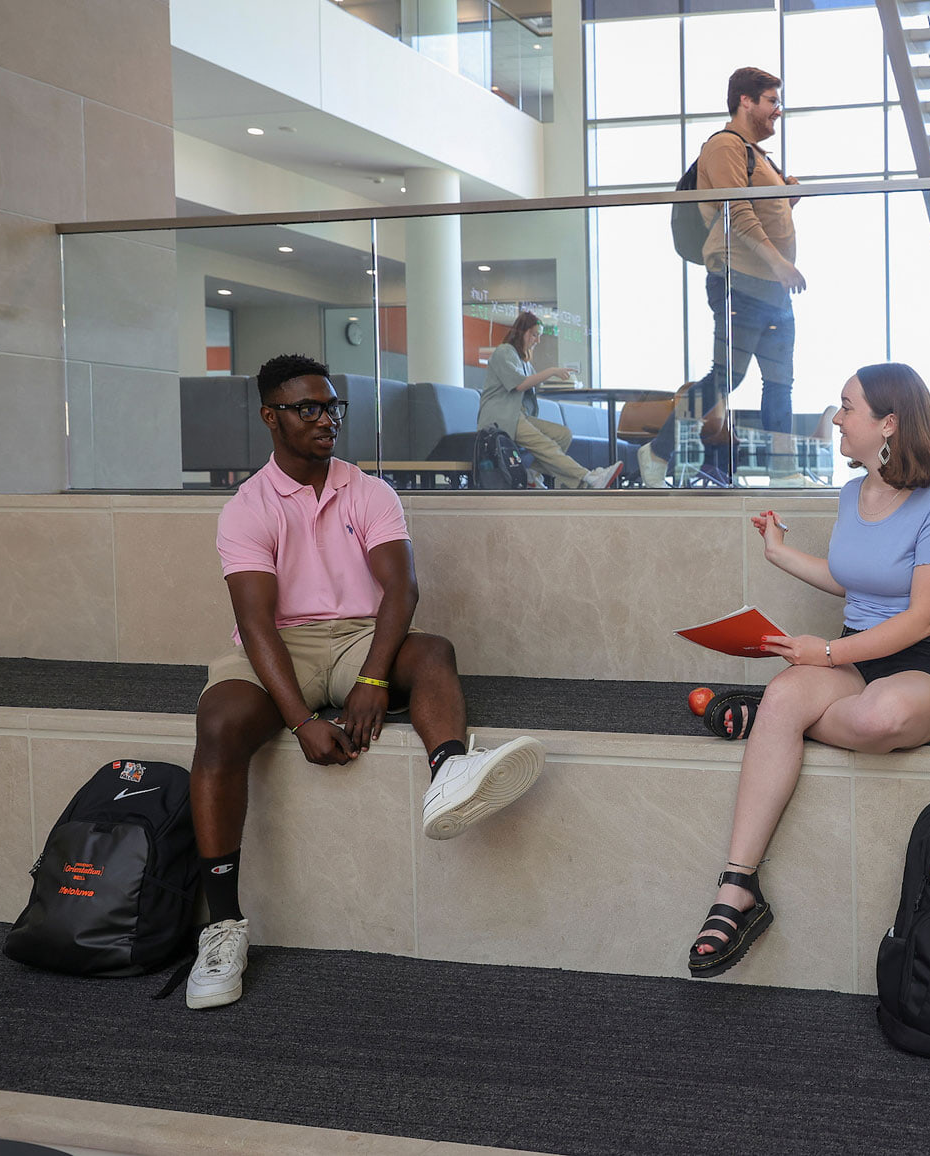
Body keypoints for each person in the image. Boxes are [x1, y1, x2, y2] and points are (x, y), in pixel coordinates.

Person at [188, 354, 546, 1010]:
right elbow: (256, 623)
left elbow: (401, 590)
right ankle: (221, 928)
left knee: (433, 650)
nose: (327, 420)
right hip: (280, 647)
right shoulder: (246, 508)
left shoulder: (369, 491)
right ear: (271, 417)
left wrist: (375, 678)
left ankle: (451, 774)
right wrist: (302, 722)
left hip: (358, 637)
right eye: (309, 409)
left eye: (333, 407)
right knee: (218, 726)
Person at [685, 363, 930, 977]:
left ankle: (769, 722)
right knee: (791, 694)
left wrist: (828, 655)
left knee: (879, 718)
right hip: (854, 651)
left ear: (888, 422)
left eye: (847, 406)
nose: (836, 418)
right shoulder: (851, 493)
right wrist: (779, 553)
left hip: (921, 662)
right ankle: (737, 889)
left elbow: (921, 618)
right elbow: (851, 579)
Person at [639, 66, 805, 487]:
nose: (777, 111)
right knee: (728, 376)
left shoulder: (759, 156)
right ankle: (657, 452)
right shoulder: (725, 147)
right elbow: (739, 217)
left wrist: (789, 201)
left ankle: (783, 472)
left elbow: (759, 215)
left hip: (771, 288)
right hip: (741, 282)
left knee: (779, 382)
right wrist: (780, 265)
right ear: (745, 101)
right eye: (772, 101)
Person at [478, 311, 622, 490]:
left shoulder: (523, 361)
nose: (537, 340)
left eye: (539, 336)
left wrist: (566, 383)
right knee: (545, 444)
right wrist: (552, 371)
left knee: (562, 435)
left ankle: (531, 473)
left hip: (518, 415)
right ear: (521, 332)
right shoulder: (504, 351)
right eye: (534, 334)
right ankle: (588, 477)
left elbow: (534, 385)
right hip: (501, 417)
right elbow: (520, 384)